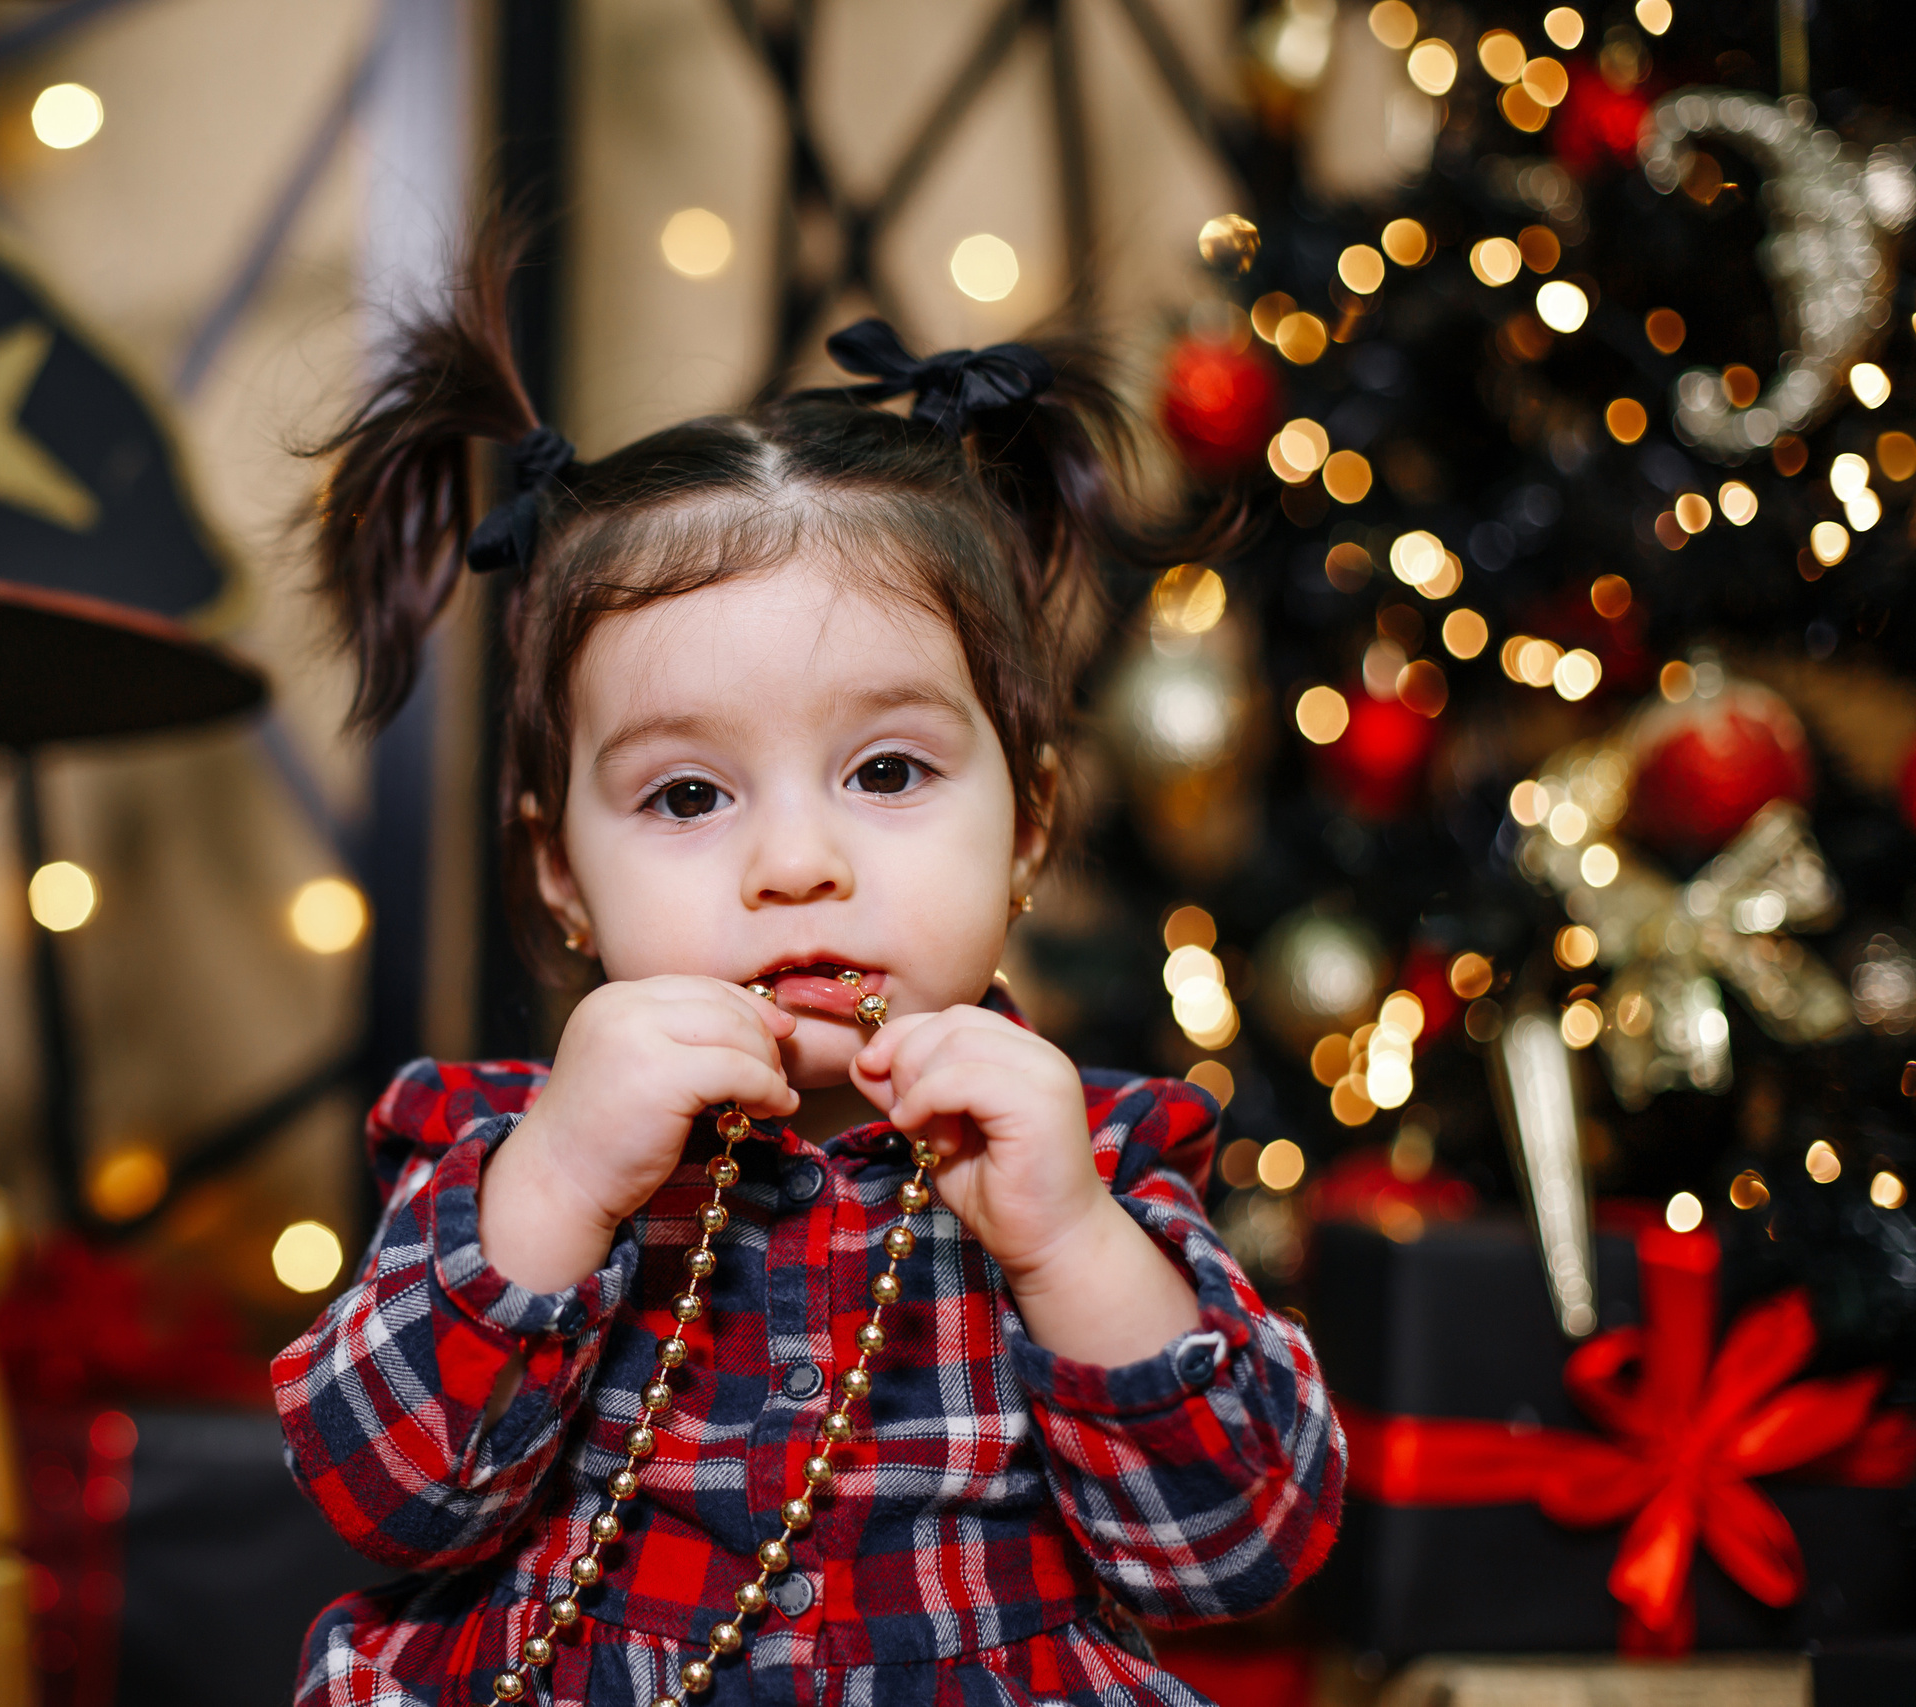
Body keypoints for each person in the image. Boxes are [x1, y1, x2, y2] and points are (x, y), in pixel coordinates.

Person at [272, 233, 1344, 1707]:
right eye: (688, 796)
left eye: (887, 770)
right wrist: (562, 1185)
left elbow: (1243, 1553)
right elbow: (374, 1496)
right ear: (560, 871)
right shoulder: (490, 1151)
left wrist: (1073, 1250)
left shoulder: (1094, 1158)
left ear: (1028, 825)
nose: (794, 863)